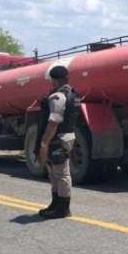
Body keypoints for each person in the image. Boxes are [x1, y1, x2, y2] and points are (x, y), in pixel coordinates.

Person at [37, 66, 80, 219]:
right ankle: (55, 204)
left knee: (61, 173)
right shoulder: (72, 93)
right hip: (64, 136)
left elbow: (53, 122)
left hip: (58, 138)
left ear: (54, 80)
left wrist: (44, 143)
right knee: (54, 172)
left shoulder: (58, 97)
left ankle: (63, 208)